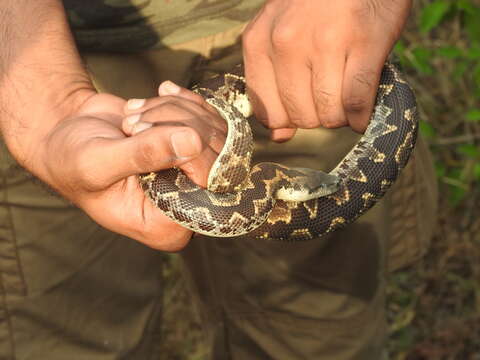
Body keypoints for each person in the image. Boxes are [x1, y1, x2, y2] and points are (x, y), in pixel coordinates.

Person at [0, 0, 437, 359]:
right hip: (44, 43)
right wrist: (41, 96)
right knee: (74, 333)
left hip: (294, 30)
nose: (328, 188)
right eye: (316, 187)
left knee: (318, 333)